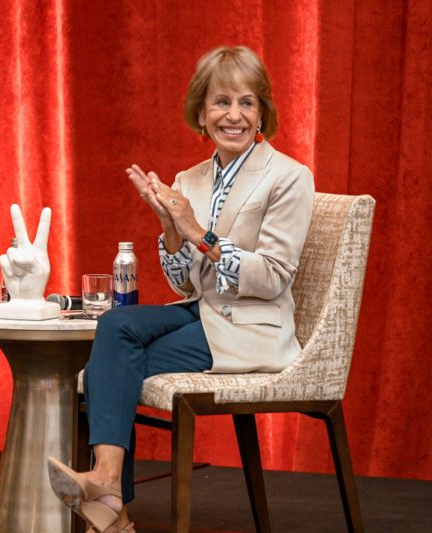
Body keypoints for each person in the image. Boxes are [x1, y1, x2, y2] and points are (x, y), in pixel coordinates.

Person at [47, 46, 315, 532]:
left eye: (247, 103)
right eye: (220, 102)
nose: (233, 115)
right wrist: (170, 232)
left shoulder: (289, 177)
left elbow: (274, 275)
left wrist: (199, 233)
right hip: (202, 309)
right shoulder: (189, 179)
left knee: (110, 368)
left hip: (251, 325)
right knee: (116, 324)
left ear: (263, 112)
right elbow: (180, 281)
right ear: (201, 112)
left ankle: (110, 500)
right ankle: (108, 490)